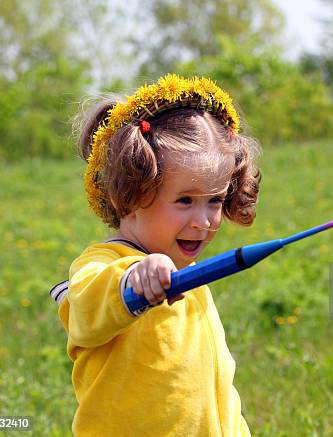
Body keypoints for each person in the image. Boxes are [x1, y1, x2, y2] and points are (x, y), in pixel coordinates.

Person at [49, 75, 260, 436]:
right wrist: (133, 280)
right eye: (184, 201)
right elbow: (83, 307)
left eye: (214, 199)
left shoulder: (191, 277)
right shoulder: (103, 266)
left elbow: (218, 391)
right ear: (129, 196)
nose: (205, 220)